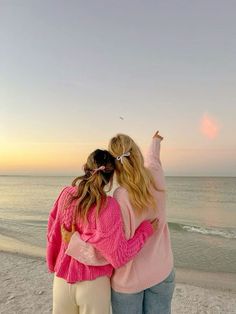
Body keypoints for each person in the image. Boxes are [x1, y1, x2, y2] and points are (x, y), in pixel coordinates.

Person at [65, 131, 175, 314]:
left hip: (128, 282)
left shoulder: (119, 198)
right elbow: (153, 157)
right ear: (137, 154)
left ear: (114, 166)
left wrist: (74, 243)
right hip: (161, 272)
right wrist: (156, 141)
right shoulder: (157, 176)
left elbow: (112, 250)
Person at [46, 148, 157, 314]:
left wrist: (53, 263)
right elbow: (120, 256)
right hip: (94, 285)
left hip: (61, 280)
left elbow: (53, 235)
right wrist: (145, 231)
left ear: (86, 167)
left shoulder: (65, 195)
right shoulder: (108, 206)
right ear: (111, 176)